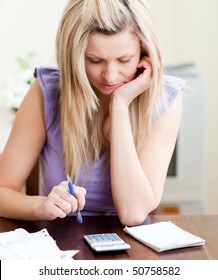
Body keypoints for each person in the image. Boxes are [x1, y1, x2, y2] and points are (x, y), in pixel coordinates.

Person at [0, 0, 185, 226]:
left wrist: (119, 106)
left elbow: (133, 213)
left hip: (131, 249)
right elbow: (2, 191)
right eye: (94, 60)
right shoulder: (46, 92)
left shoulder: (165, 99)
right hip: (61, 245)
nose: (110, 75)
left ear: (143, 52)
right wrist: (41, 206)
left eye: (124, 60)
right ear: (74, 56)